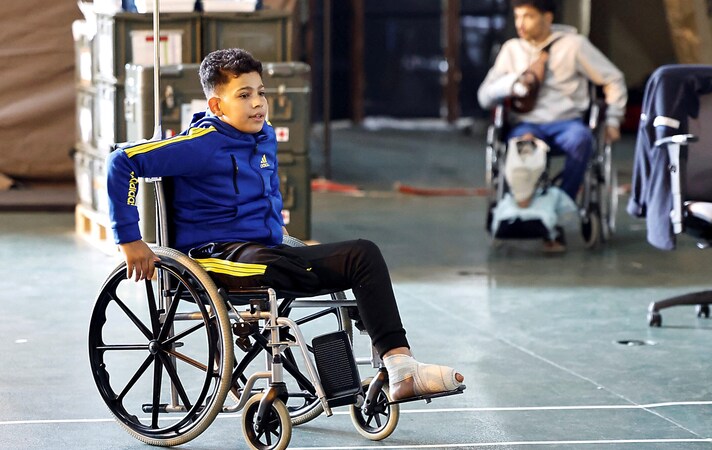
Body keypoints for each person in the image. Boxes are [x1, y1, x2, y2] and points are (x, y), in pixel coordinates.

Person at [106, 48, 464, 402]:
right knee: (280, 265)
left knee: (363, 255)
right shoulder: (200, 145)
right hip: (214, 256)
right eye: (243, 95)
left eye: (260, 92)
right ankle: (364, 325)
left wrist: (282, 234)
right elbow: (122, 162)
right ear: (217, 106)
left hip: (264, 249)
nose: (258, 103)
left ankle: (400, 367)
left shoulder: (264, 137)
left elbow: (267, 199)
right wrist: (130, 240)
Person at [478, 0, 627, 251]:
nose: (520, 24)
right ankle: (525, 212)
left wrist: (613, 119)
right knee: (522, 147)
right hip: (528, 124)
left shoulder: (574, 45)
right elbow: (484, 96)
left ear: (547, 18)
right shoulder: (512, 50)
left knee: (582, 140)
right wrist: (514, 83)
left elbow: (613, 79)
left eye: (528, 16)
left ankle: (559, 207)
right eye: (517, 17)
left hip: (566, 123)